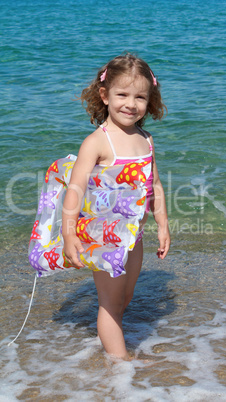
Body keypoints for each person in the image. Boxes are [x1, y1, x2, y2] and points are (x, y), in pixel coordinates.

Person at [62, 53, 170, 360]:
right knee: (110, 303)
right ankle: (122, 368)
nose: (131, 103)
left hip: (134, 238)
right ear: (104, 94)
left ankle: (109, 340)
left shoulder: (146, 140)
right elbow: (76, 189)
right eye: (122, 94)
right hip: (105, 237)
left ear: (150, 100)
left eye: (140, 97)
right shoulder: (97, 142)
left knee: (126, 297)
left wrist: (163, 225)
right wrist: (69, 235)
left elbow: (155, 187)